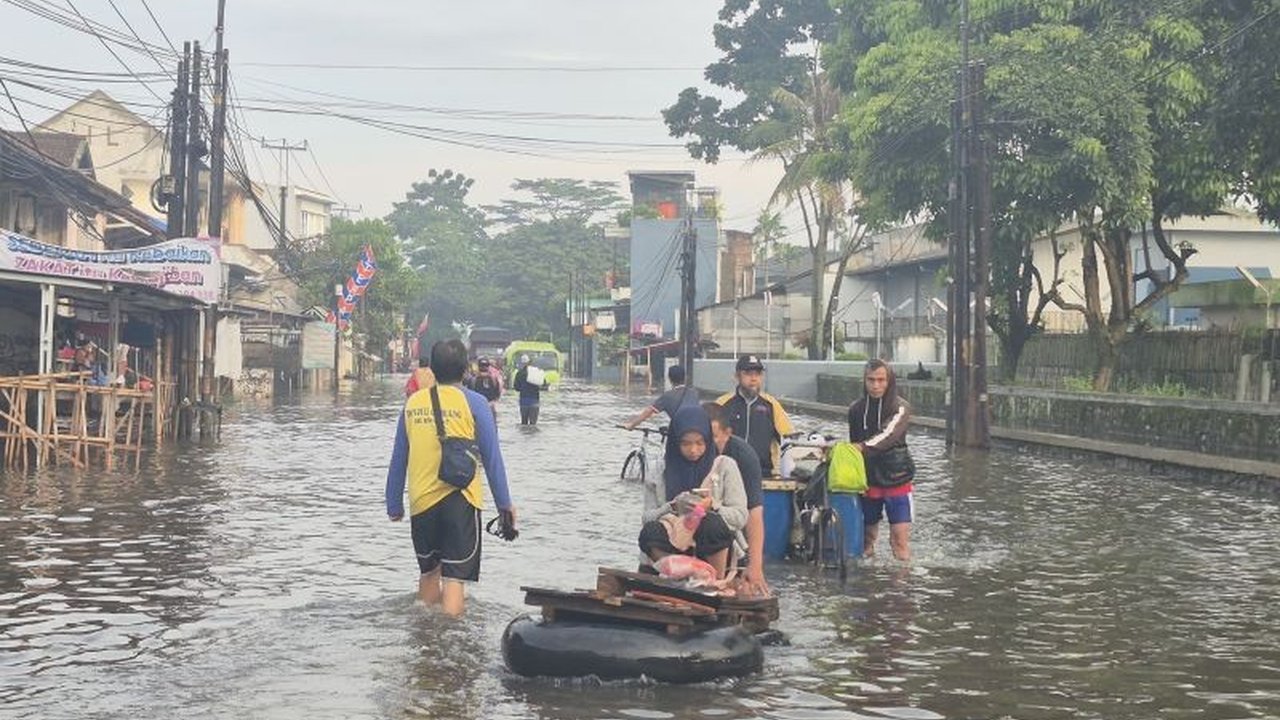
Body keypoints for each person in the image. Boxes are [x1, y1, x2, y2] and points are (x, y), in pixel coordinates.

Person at [385, 339, 517, 615]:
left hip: (422, 503)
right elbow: (492, 459)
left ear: (432, 369)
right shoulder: (477, 404)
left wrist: (394, 504)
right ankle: (450, 646)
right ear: (465, 370)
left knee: (429, 573)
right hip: (461, 500)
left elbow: (399, 458)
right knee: (454, 579)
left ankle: (426, 640)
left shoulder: (413, 404)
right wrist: (505, 505)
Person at [638, 406, 749, 579]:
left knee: (712, 524)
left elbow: (741, 517)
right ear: (675, 442)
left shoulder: (725, 466)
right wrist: (672, 506)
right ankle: (675, 573)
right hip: (673, 544)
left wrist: (712, 505)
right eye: (686, 443)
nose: (693, 450)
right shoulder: (659, 471)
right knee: (650, 532)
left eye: (700, 443)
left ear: (708, 440)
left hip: (714, 550)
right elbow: (646, 518)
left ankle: (715, 580)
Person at [847, 359, 914, 561]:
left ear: (889, 381)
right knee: (866, 539)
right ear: (864, 381)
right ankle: (868, 581)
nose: (876, 385)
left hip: (897, 478)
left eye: (881, 380)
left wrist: (861, 447)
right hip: (869, 481)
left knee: (899, 541)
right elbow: (854, 440)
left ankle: (902, 584)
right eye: (871, 380)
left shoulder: (900, 407)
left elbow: (888, 435)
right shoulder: (856, 410)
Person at [703, 402, 769, 596]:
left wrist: (755, 566)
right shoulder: (692, 451)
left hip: (731, 523)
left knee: (745, 586)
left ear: (727, 433)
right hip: (697, 524)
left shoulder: (743, 456)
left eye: (713, 438)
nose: (705, 446)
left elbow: (754, 512)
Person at [715, 354, 794, 477]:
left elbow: (788, 438)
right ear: (737, 376)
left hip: (763, 474)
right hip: (727, 473)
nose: (753, 378)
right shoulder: (722, 404)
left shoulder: (771, 405)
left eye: (757, 374)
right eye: (748, 373)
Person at [623, 365, 698, 430]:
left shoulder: (667, 396)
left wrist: (632, 425)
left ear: (669, 379)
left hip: (682, 432)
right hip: (698, 429)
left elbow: (648, 411)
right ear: (685, 377)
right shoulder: (694, 393)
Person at [513, 354, 548, 426]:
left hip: (523, 401)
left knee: (524, 423)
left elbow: (516, 388)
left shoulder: (519, 373)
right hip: (534, 401)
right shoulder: (536, 372)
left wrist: (523, 387)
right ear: (530, 362)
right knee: (533, 425)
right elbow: (544, 384)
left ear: (522, 363)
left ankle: (524, 437)